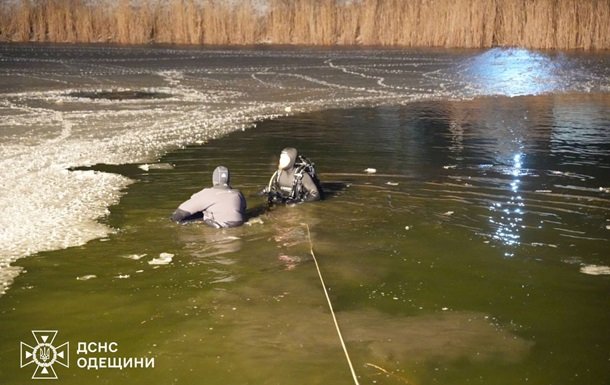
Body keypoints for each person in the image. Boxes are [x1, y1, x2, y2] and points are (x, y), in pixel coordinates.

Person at [171, 166, 246, 228]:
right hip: (238, 224)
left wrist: (172, 220)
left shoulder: (206, 193)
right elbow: (243, 208)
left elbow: (179, 214)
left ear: (214, 179)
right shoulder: (238, 193)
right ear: (228, 180)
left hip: (218, 226)